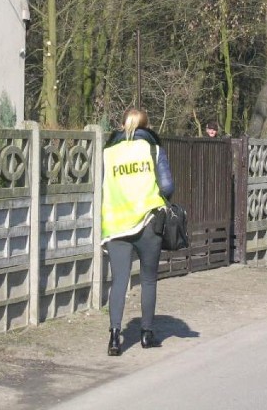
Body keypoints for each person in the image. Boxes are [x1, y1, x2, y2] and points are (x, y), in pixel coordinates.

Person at [101, 108, 175, 355]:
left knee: (119, 281)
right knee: (148, 279)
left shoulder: (107, 153)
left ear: (122, 125)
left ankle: (114, 337)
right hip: (147, 222)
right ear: (147, 126)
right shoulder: (153, 149)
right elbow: (166, 185)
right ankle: (146, 334)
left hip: (115, 224)